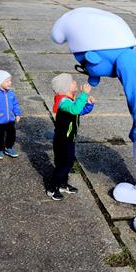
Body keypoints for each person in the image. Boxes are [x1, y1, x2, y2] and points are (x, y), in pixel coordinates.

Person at [52, 7, 136, 236]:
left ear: (93, 56)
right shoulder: (126, 57)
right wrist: (94, 77)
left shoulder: (128, 62)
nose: (85, 68)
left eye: (84, 64)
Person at [47, 73, 95, 201]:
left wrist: (89, 104)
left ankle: (62, 184)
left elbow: (79, 110)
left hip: (69, 139)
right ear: (66, 87)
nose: (75, 82)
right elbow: (74, 110)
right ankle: (52, 188)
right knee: (62, 165)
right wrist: (84, 94)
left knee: (68, 163)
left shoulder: (70, 100)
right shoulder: (63, 102)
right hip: (62, 140)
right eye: (73, 81)